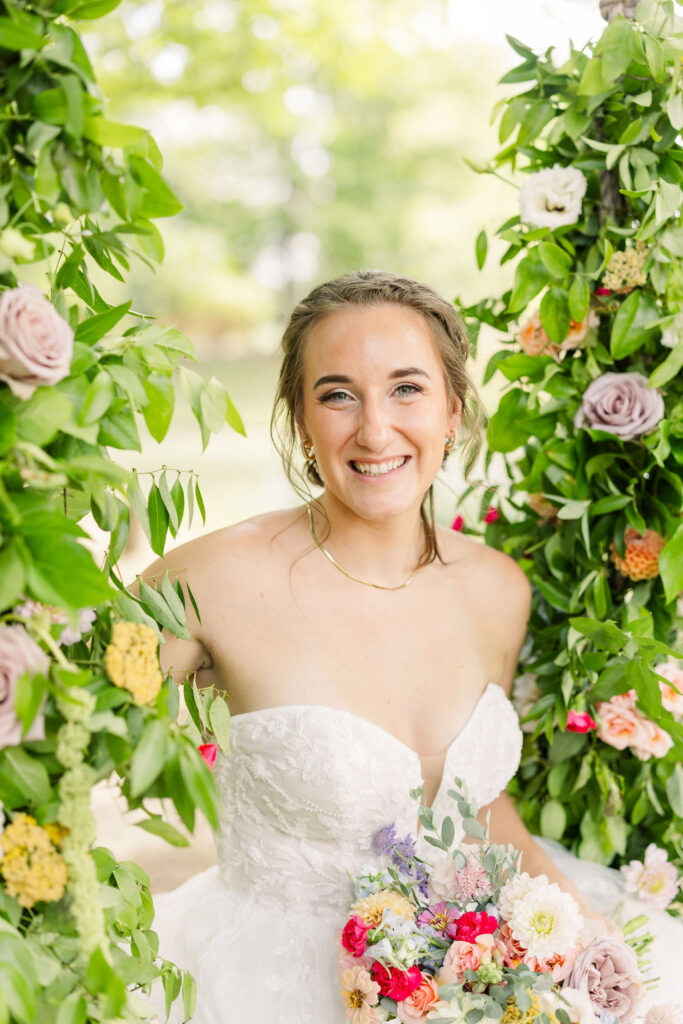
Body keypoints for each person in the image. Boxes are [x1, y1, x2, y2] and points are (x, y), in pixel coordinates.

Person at [144, 271, 682, 1022]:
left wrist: (580, 939)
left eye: (406, 389)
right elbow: (74, 734)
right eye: (336, 395)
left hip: (474, 972)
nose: (373, 430)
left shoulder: (498, 590)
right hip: (265, 982)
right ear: (300, 421)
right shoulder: (208, 581)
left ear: (452, 410)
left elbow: (479, 808)